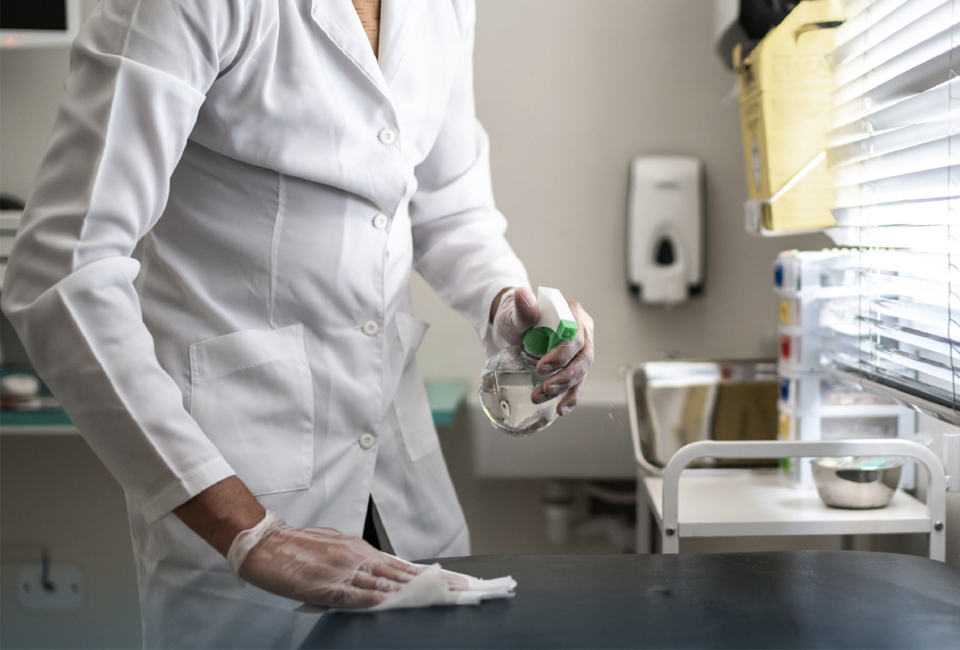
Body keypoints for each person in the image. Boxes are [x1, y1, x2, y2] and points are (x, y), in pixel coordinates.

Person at [0, 1, 595, 648]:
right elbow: (62, 272)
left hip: (402, 490)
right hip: (238, 493)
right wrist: (246, 529)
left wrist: (502, 303)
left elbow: (448, 204)